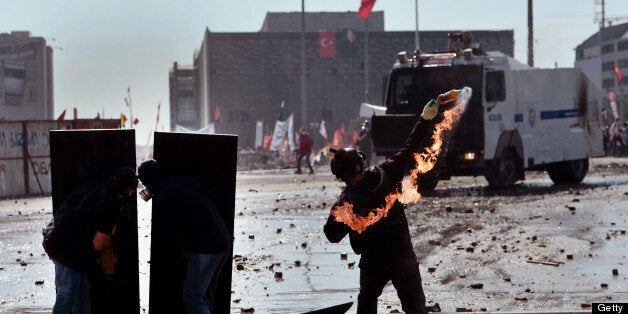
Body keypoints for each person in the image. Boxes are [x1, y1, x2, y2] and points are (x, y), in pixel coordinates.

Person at [323, 99, 443, 314]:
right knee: (415, 307)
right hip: (402, 255)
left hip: (373, 262)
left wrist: (343, 213)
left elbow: (331, 235)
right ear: (360, 165)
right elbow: (410, 146)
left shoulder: (345, 203)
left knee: (367, 301)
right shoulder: (386, 172)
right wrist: (425, 119)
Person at [137, 159, 232, 314]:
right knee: (205, 292)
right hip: (223, 239)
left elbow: (172, 234)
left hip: (206, 248)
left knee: (192, 295)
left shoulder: (164, 197)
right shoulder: (185, 182)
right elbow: (219, 197)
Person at [42, 167, 138, 314]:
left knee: (81, 290)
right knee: (68, 292)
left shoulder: (93, 187)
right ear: (129, 189)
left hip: (54, 236)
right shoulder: (111, 204)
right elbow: (98, 244)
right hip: (68, 248)